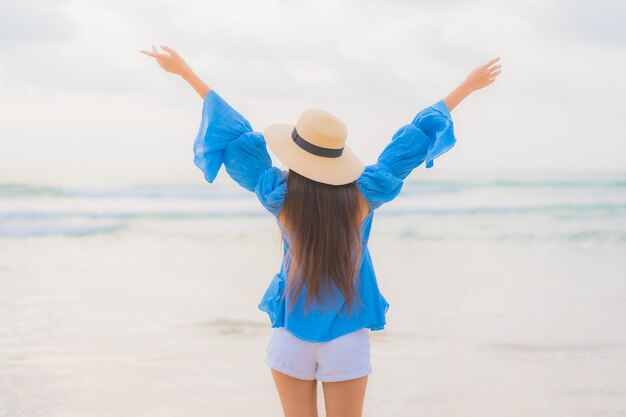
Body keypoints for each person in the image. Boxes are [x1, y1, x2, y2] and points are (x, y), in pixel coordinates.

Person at [141, 44, 502, 417]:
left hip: (290, 336)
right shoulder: (365, 193)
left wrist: (186, 72)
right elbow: (411, 141)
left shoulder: (278, 196)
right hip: (347, 337)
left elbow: (235, 134)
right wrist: (466, 87)